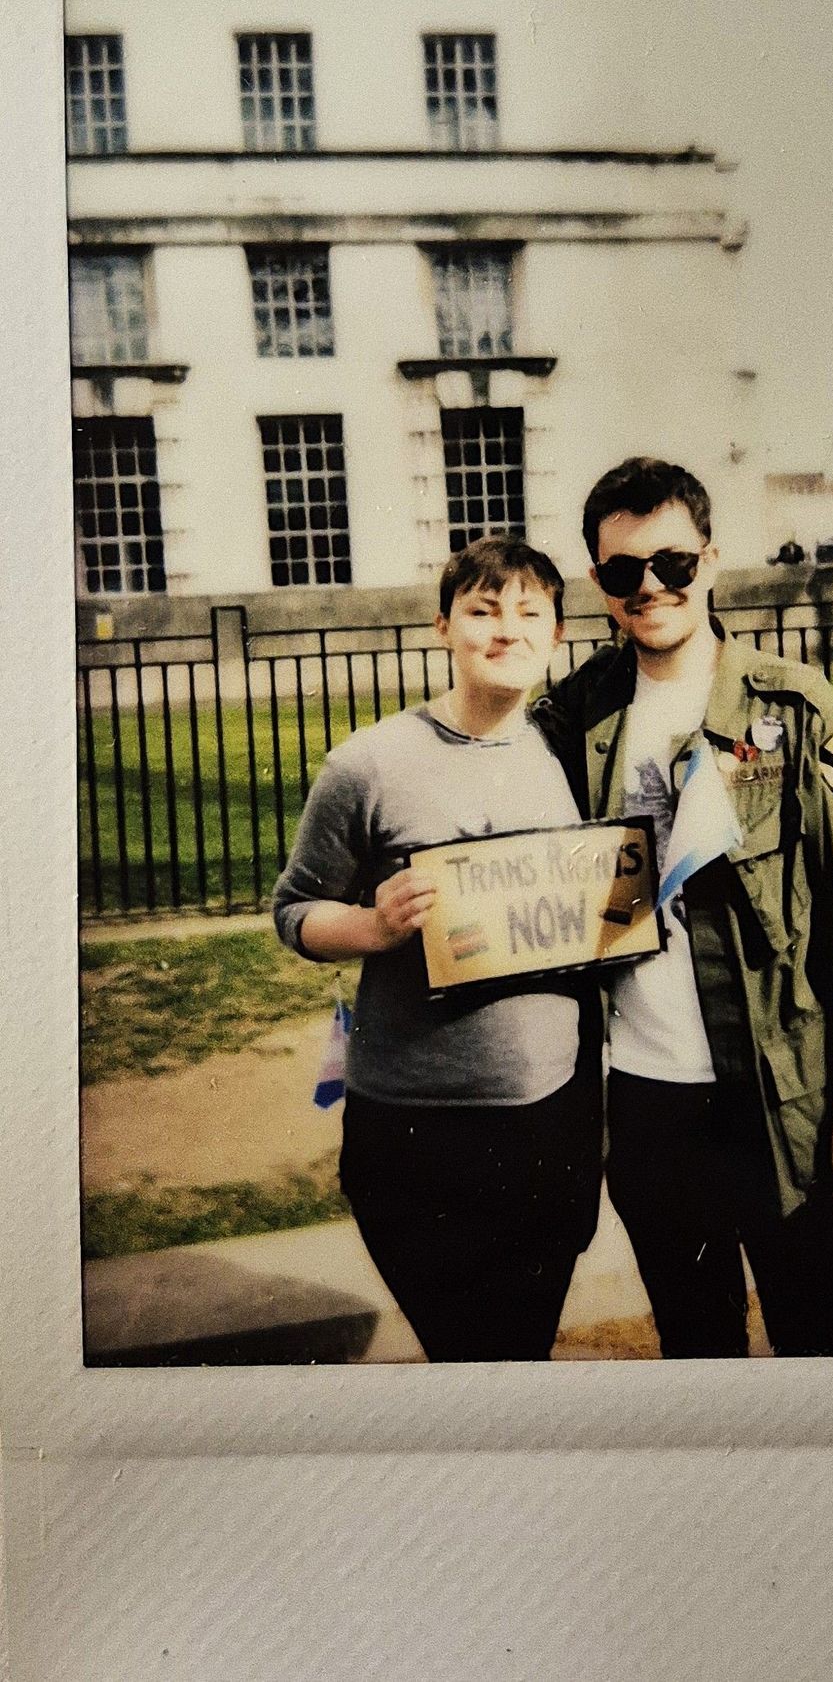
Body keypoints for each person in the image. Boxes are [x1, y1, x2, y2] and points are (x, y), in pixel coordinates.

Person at [537, 457, 833, 1357]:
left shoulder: (804, 707)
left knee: (822, 1332)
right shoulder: (576, 715)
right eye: (624, 573)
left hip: (781, 1092)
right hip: (648, 1102)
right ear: (599, 582)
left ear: (710, 560)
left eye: (672, 563)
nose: (652, 588)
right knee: (696, 1346)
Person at [273, 537, 602, 1363]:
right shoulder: (368, 764)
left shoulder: (572, 756)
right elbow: (293, 910)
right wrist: (373, 925)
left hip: (551, 1119)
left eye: (529, 613)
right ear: (443, 626)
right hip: (414, 1131)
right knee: (466, 1355)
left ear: (557, 634)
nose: (506, 630)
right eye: (483, 610)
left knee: (520, 1352)